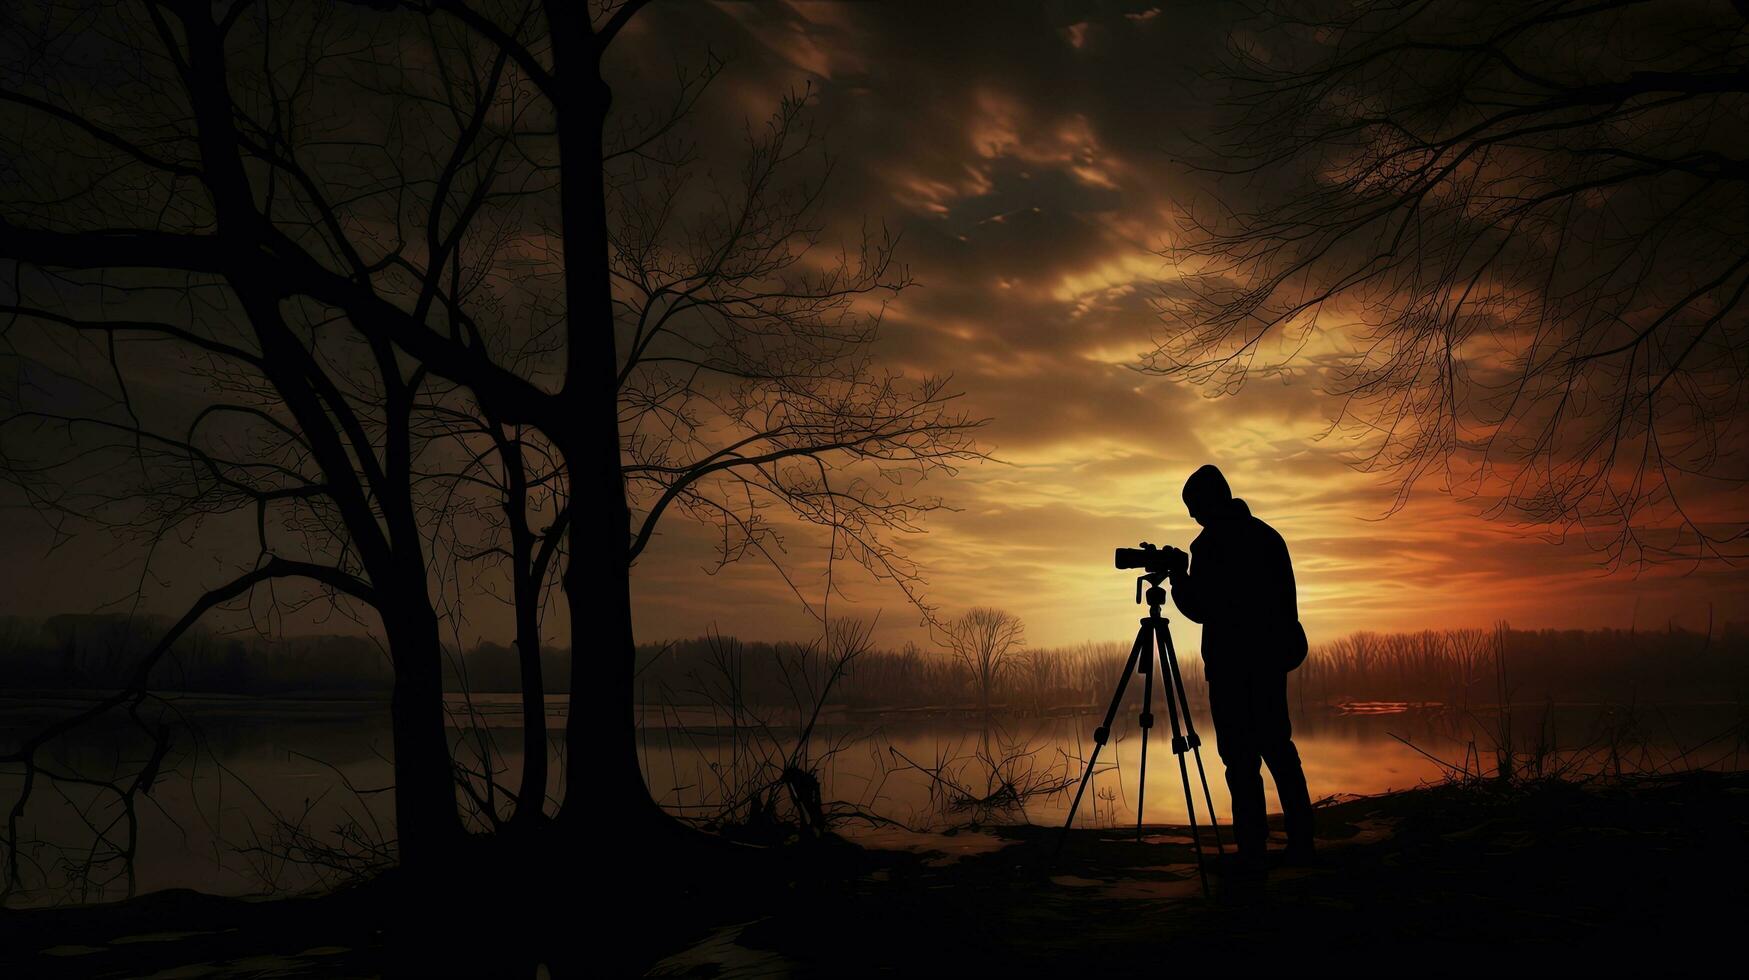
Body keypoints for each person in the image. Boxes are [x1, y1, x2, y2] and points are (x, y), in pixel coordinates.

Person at [1165, 464, 1314, 873]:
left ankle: (1252, 848)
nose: (1193, 517)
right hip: (1268, 664)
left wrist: (1180, 580)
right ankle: (1302, 840)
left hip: (1233, 667)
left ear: (1210, 502)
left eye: (1194, 508)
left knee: (1241, 760)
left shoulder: (1214, 545)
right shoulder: (1267, 537)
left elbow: (1204, 608)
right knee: (1278, 750)